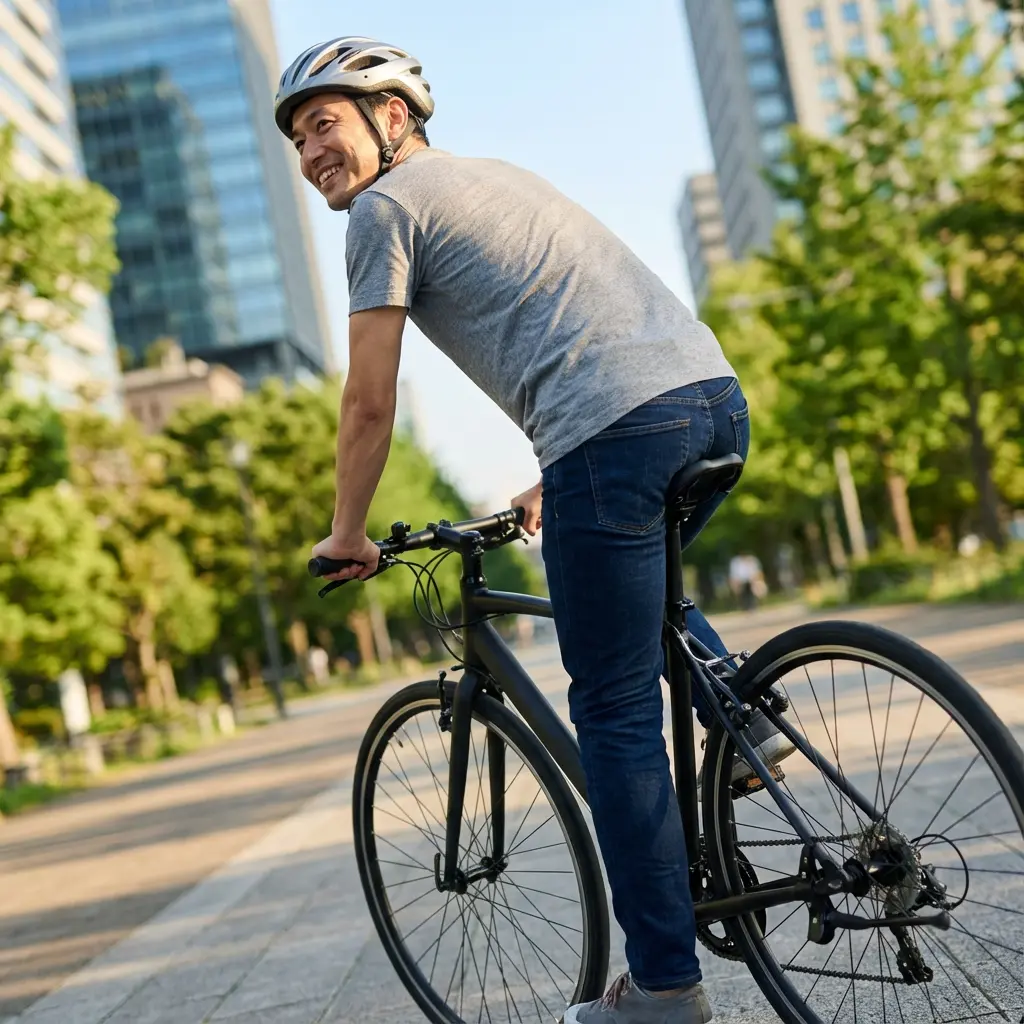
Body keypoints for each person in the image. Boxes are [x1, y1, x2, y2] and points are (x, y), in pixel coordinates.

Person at [275, 37, 792, 1024]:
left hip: (611, 430)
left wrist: (349, 529)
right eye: (298, 140)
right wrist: (558, 472)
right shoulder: (496, 176)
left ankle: (663, 992)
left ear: (393, 117)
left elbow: (368, 402)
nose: (311, 153)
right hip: (708, 401)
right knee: (636, 594)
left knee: (610, 714)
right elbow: (585, 322)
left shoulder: (385, 210)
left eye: (325, 123)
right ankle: (741, 722)